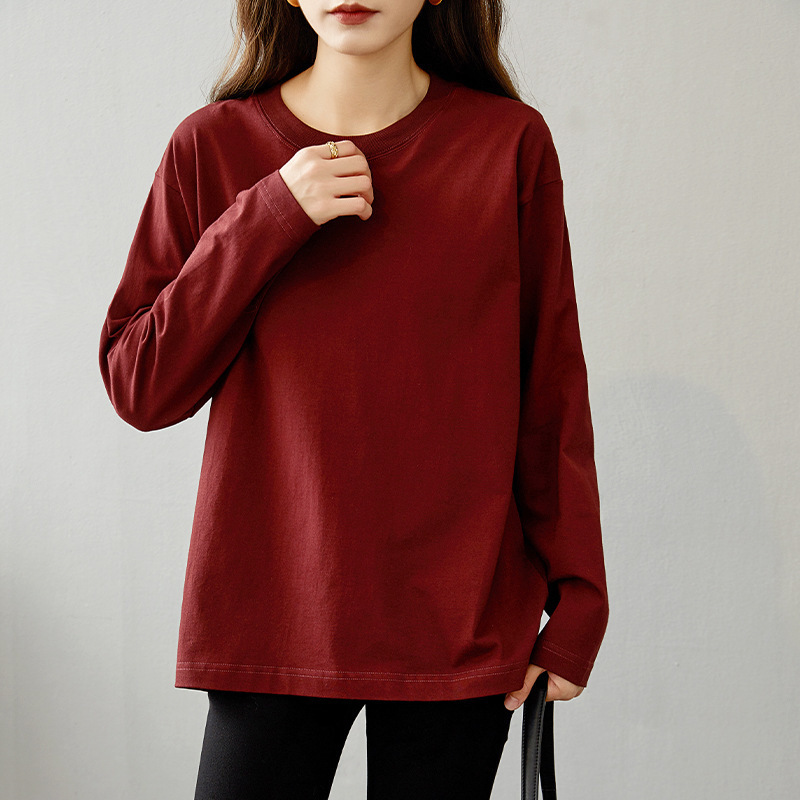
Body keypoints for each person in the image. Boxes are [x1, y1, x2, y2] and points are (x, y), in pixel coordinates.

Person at [98, 0, 610, 797]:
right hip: (273, 614)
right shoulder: (213, 146)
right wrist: (271, 213)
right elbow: (141, 384)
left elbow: (550, 391)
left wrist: (578, 605)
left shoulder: (507, 143)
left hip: (460, 620)